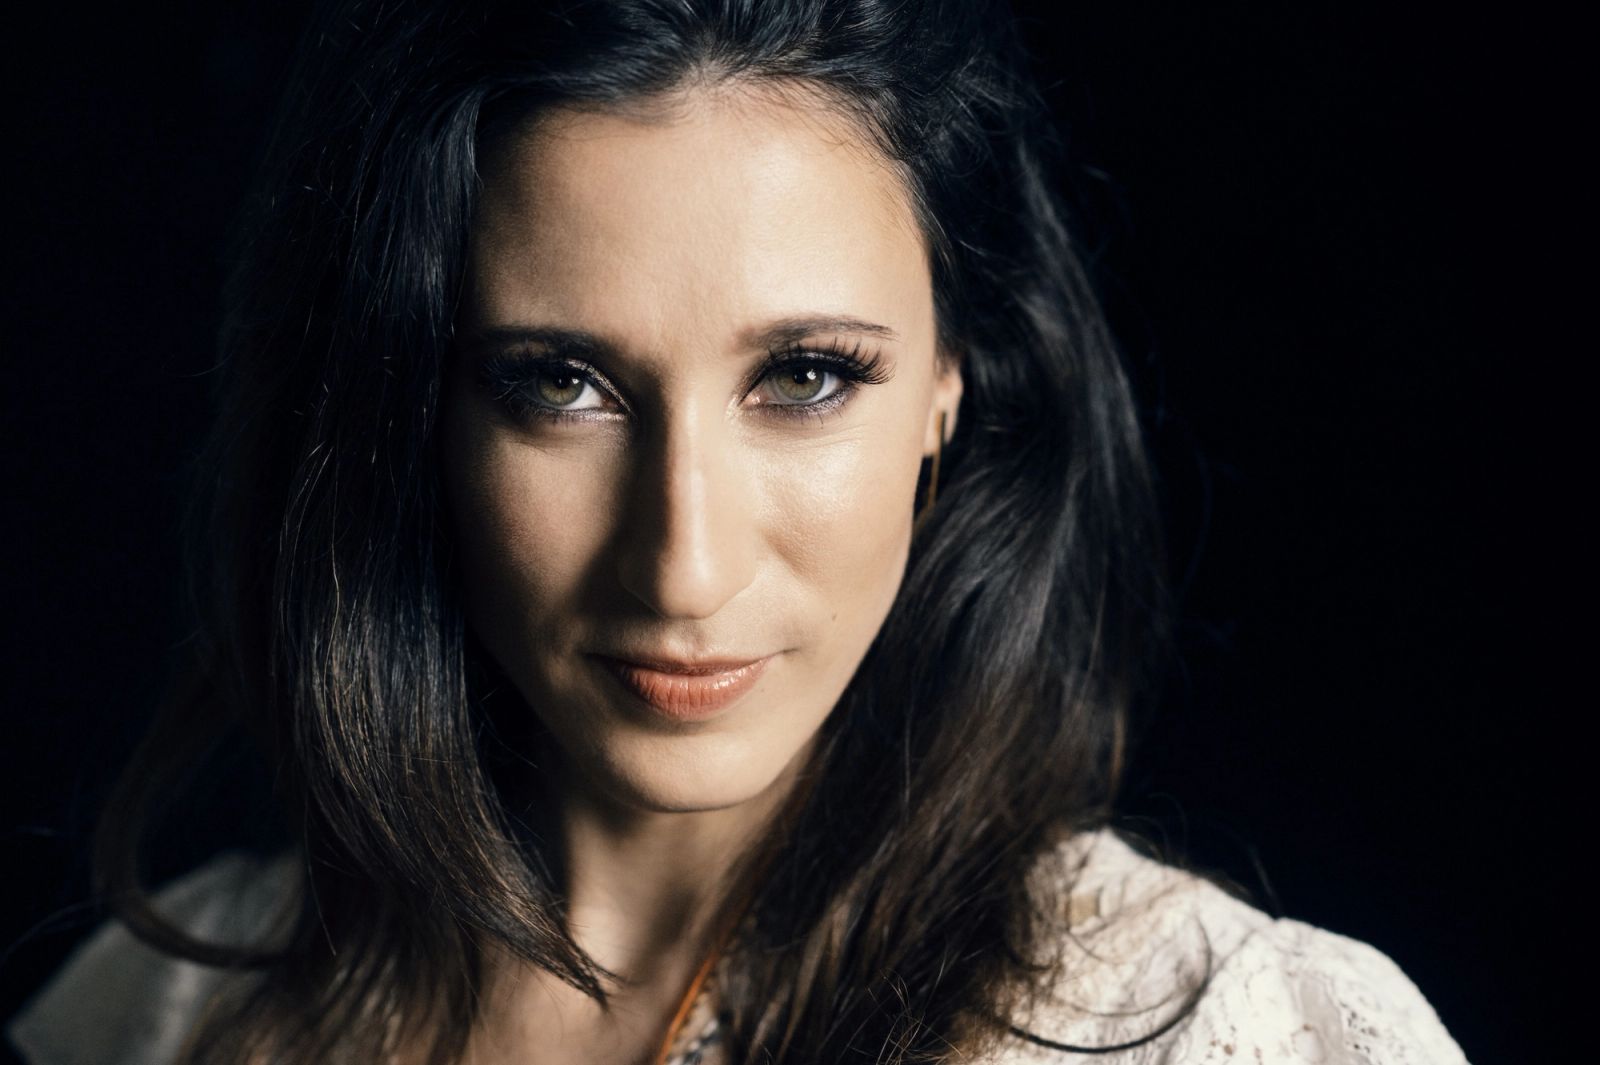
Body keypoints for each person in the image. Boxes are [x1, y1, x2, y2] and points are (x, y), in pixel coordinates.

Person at [7, 1, 1468, 1063]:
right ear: (416, 407)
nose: (684, 565)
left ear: (949, 382)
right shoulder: (169, 1006)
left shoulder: (1236, 1028)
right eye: (560, 385)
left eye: (806, 378)